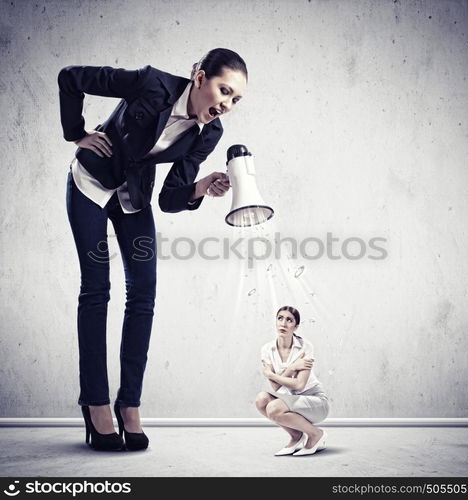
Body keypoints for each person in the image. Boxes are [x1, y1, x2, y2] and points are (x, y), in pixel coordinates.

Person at [58, 48, 248, 451]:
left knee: (143, 294)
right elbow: (71, 77)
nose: (227, 104)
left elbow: (170, 198)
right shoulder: (150, 83)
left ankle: (129, 406)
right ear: (199, 78)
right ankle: (95, 406)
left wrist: (199, 188)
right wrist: (76, 133)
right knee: (96, 290)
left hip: (134, 197)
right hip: (91, 185)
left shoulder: (209, 133)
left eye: (235, 100)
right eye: (224, 90)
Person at [256, 306, 330, 456]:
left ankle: (316, 434)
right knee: (261, 400)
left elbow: (299, 384)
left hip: (315, 401)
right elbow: (276, 387)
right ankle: (296, 436)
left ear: (295, 326)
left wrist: (271, 374)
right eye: (280, 318)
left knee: (273, 408)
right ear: (275, 322)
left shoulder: (305, 347)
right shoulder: (267, 349)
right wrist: (292, 368)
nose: (283, 323)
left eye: (289, 320)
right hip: (292, 399)